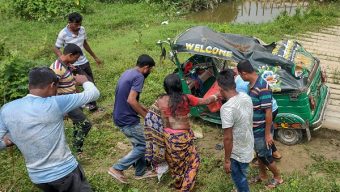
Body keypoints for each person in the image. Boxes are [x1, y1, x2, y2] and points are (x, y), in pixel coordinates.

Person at [0, 67, 100, 191]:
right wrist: (85, 81)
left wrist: (6, 142)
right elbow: (94, 93)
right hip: (65, 173)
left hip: (38, 179)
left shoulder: (7, 109)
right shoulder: (55, 103)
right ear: (52, 85)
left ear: (30, 85)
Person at [156, 73, 220, 192]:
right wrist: (216, 95)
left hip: (168, 137)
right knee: (194, 162)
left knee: (176, 163)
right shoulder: (186, 98)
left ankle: (179, 184)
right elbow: (205, 101)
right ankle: (185, 189)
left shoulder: (160, 100)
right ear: (179, 86)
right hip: (182, 137)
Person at [108, 54, 156, 184]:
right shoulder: (139, 77)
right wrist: (146, 117)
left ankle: (140, 172)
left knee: (138, 144)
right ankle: (117, 168)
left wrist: (146, 110)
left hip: (119, 115)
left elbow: (128, 98)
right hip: (127, 118)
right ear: (146, 67)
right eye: (150, 69)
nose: (150, 72)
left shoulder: (128, 72)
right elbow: (131, 100)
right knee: (144, 145)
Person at [237, 60, 283, 189]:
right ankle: (262, 175)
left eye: (240, 75)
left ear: (244, 73)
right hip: (254, 128)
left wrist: (267, 134)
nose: (241, 78)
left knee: (266, 156)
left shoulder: (262, 86)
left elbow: (268, 112)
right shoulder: (251, 84)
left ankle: (278, 177)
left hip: (262, 130)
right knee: (259, 154)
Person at [53, 12, 102, 112]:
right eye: (76, 24)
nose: (78, 26)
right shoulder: (63, 34)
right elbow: (56, 48)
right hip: (74, 65)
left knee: (90, 81)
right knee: (86, 82)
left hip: (84, 61)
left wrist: (95, 57)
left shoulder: (82, 29)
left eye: (80, 24)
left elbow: (85, 44)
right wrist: (65, 61)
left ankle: (88, 104)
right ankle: (91, 106)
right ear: (69, 23)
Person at [50, 43, 93, 156]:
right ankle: (76, 149)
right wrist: (60, 109)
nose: (76, 60)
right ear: (70, 55)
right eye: (76, 58)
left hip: (74, 99)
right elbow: (52, 89)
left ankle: (76, 148)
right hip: (66, 103)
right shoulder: (57, 69)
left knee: (77, 124)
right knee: (86, 124)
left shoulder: (66, 64)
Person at [217, 69, 254, 192]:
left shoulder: (227, 108)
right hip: (248, 145)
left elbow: (228, 138)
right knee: (243, 175)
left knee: (240, 179)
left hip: (237, 153)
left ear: (221, 88)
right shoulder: (246, 96)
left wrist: (227, 160)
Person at [235, 72, 282, 160]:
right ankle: (273, 152)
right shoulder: (254, 78)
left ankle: (265, 156)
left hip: (266, 109)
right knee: (266, 132)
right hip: (272, 106)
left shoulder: (239, 84)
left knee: (264, 134)